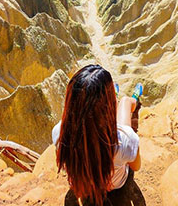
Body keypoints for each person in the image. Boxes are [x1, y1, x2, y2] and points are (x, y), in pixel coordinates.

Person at [52, 64, 141, 206]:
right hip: (116, 186)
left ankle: (114, 96)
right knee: (125, 103)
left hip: (85, 186)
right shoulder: (123, 140)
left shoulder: (59, 132)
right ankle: (132, 99)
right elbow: (136, 166)